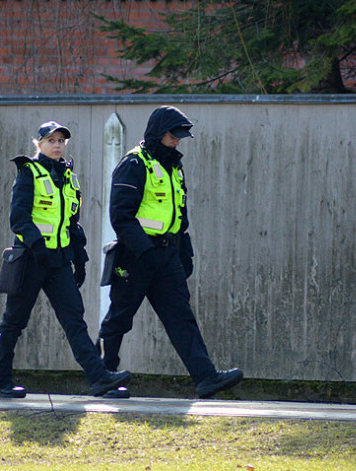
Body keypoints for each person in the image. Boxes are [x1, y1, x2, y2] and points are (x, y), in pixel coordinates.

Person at [96, 106, 243, 399]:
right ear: (157, 133)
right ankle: (103, 377)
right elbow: (121, 216)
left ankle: (206, 378)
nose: (177, 141)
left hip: (166, 256)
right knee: (119, 318)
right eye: (173, 135)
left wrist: (183, 250)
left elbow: (179, 214)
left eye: (180, 136)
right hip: (136, 256)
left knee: (181, 317)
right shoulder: (134, 164)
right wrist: (146, 251)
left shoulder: (173, 167)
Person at [0, 121, 131, 398]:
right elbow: (19, 219)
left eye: (61, 141)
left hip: (59, 261)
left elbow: (71, 224)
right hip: (31, 259)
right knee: (13, 321)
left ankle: (99, 379)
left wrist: (80, 259)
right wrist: (38, 246)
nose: (56, 145)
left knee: (74, 321)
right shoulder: (29, 172)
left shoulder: (69, 177)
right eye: (50, 140)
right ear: (38, 144)